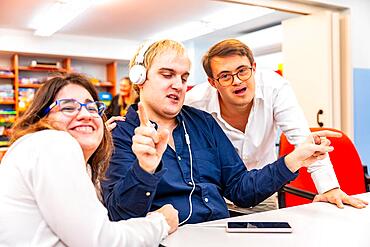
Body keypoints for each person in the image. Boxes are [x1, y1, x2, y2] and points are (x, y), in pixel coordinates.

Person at [101, 39, 340, 225]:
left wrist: (294, 159)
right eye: (167, 75)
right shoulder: (120, 135)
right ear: (139, 78)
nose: (178, 85)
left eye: (184, 77)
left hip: (221, 232)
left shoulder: (202, 122)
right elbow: (120, 215)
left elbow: (240, 190)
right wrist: (144, 169)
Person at [184, 38, 368, 210]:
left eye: (242, 71)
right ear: (212, 82)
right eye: (225, 76)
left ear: (254, 67)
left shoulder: (275, 88)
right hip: (214, 196)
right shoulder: (194, 103)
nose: (237, 81)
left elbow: (305, 142)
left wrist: (328, 189)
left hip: (262, 190)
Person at [0, 73, 178, 246]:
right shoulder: (53, 142)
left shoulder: (83, 167)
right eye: (68, 108)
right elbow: (101, 241)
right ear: (40, 118)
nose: (86, 115)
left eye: (92, 108)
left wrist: (145, 168)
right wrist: (160, 222)